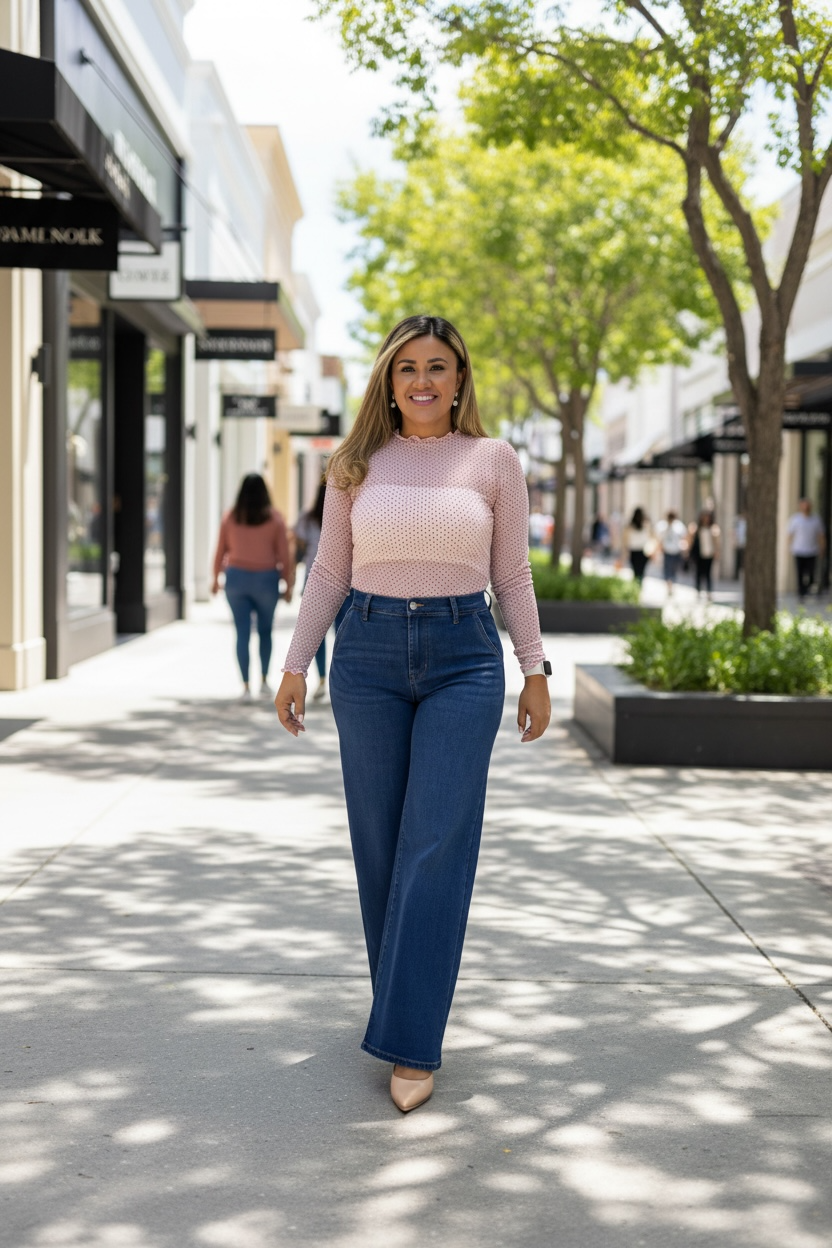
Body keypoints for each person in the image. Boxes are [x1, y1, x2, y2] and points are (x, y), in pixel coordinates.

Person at [274, 315, 551, 1113]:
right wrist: (296, 663)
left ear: (459, 380)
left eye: (437, 367)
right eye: (407, 368)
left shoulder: (493, 461)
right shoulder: (354, 463)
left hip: (465, 658)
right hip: (365, 657)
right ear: (388, 383)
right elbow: (329, 572)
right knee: (381, 846)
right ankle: (406, 1010)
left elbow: (513, 575)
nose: (422, 381)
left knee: (435, 844)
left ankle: (410, 1039)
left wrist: (534, 669)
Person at [212, 473, 294, 700]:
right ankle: (265, 681)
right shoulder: (275, 519)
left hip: (236, 579)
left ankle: (246, 686)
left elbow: (220, 550)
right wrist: (288, 585)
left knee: (242, 632)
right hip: (266, 580)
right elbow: (284, 556)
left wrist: (214, 579)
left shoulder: (230, 517)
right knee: (265, 631)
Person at [294, 480, 328, 702]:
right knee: (344, 633)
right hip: (347, 581)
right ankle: (335, 680)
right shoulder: (350, 514)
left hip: (314, 579)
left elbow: (298, 547)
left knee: (318, 634)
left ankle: (323, 679)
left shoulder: (307, 520)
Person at [787, 498, 826, 599]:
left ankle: (808, 589)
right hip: (798, 550)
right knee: (800, 573)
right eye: (804, 506)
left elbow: (821, 535)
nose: (806, 508)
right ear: (800, 507)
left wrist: (822, 548)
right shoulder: (795, 520)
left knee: (811, 572)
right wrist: (790, 547)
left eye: (807, 506)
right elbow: (790, 534)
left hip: (812, 550)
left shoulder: (816, 520)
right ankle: (801, 593)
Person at [688, 509, 721, 599]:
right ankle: (698, 590)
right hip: (699, 554)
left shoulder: (713, 528)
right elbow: (690, 539)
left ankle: (709, 591)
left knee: (708, 573)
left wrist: (717, 551)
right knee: (698, 573)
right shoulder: (696, 528)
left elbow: (717, 541)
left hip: (709, 554)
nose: (706, 519)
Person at [654, 509, 688, 595]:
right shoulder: (662, 526)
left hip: (676, 551)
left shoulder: (679, 526)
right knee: (667, 570)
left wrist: (684, 550)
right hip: (667, 551)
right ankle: (669, 586)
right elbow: (659, 540)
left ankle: (672, 585)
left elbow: (684, 538)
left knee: (674, 569)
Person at [624, 507, 653, 584]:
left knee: (636, 571)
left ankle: (636, 586)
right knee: (641, 571)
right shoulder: (646, 525)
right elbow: (652, 537)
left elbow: (625, 540)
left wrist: (625, 552)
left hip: (635, 551)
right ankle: (638, 585)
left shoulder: (630, 526)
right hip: (642, 551)